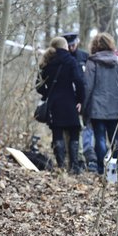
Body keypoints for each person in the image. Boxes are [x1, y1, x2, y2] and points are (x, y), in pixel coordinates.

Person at [36, 36, 85, 174]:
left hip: (54, 103)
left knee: (57, 133)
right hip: (71, 102)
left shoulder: (47, 62)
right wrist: (80, 100)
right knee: (74, 132)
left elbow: (38, 86)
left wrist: (48, 95)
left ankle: (61, 166)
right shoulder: (71, 61)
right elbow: (79, 81)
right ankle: (74, 166)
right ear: (65, 47)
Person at [82, 33, 118, 174]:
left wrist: (84, 106)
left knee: (100, 137)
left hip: (97, 107)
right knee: (115, 138)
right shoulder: (117, 60)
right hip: (115, 105)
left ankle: (101, 168)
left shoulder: (92, 62)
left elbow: (87, 86)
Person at [62, 32, 97, 172]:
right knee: (69, 130)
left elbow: (86, 80)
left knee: (81, 130)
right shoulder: (63, 57)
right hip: (67, 99)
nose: (71, 48)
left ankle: (81, 159)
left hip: (82, 99)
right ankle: (69, 159)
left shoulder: (84, 56)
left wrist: (83, 100)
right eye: (69, 45)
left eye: (73, 45)